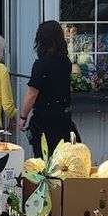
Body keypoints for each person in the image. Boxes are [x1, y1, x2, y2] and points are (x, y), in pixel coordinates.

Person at [19, 21, 74, 158]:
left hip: (45, 118)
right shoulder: (65, 62)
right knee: (62, 158)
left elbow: (32, 93)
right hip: (63, 117)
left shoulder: (41, 64)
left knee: (44, 159)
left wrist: (23, 117)